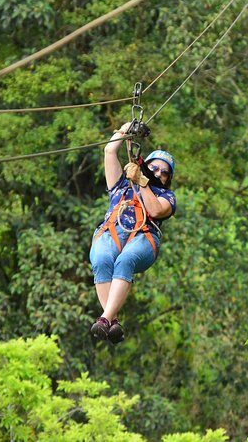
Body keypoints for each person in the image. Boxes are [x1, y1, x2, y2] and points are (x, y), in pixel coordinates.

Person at [89, 121, 177, 344]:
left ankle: (105, 318)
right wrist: (126, 128)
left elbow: (155, 210)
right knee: (101, 258)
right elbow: (110, 151)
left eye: (164, 172)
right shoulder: (121, 185)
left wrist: (143, 183)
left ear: (168, 179)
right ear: (145, 164)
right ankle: (112, 321)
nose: (159, 172)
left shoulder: (167, 197)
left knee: (125, 261)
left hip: (144, 237)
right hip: (112, 231)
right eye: (154, 167)